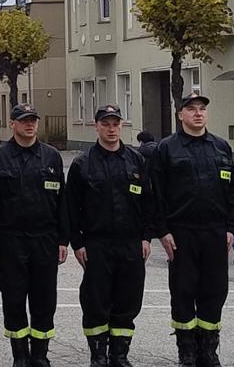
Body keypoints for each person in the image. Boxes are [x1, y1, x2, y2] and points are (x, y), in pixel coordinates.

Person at [146, 92, 234, 367]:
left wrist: (230, 228)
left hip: (214, 232)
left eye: (202, 109)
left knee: (215, 291)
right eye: (192, 109)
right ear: (180, 115)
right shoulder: (167, 148)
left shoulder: (220, 147)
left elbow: (232, 193)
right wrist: (162, 231)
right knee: (184, 291)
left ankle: (208, 351)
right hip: (181, 232)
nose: (198, 113)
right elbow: (156, 194)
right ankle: (186, 350)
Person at [67, 105, 159, 367]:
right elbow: (72, 208)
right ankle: (98, 355)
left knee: (128, 300)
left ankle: (119, 355)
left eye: (115, 124)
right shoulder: (83, 164)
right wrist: (78, 242)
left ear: (122, 126)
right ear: (96, 126)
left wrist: (146, 237)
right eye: (105, 124)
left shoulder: (136, 161)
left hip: (130, 243)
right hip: (97, 243)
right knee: (96, 301)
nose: (111, 129)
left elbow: (149, 203)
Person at [0, 104, 68, 367]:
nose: (29, 125)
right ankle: (20, 355)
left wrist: (63, 240)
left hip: (45, 238)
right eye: (23, 121)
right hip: (12, 239)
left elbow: (62, 202)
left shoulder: (51, 157)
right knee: (14, 297)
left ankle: (40, 355)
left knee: (45, 299)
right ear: (12, 124)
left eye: (33, 120)